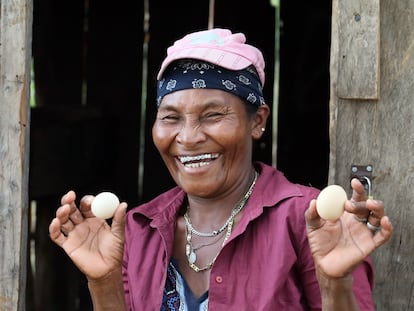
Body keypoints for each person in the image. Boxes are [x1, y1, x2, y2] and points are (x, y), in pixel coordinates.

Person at [49, 28, 393, 310]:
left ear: (257, 122)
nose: (188, 137)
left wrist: (335, 283)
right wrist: (102, 283)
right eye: (170, 117)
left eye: (213, 115)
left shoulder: (310, 223)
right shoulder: (138, 232)